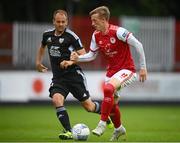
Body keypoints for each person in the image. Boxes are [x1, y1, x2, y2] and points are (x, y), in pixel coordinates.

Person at [70, 6, 147, 141]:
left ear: (104, 19)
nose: (92, 24)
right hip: (111, 72)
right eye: (91, 21)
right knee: (112, 106)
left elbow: (138, 45)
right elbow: (91, 55)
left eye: (95, 20)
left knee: (108, 89)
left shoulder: (119, 32)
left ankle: (102, 123)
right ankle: (119, 129)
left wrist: (143, 67)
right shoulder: (96, 35)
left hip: (127, 70)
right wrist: (78, 58)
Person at [36, 9, 113, 140]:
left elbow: (84, 55)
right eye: (58, 22)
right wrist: (38, 62)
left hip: (74, 76)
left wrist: (71, 61)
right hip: (59, 78)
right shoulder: (47, 35)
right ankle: (68, 131)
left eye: (63, 22)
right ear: (53, 22)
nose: (60, 24)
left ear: (67, 22)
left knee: (89, 107)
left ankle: (105, 115)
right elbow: (42, 46)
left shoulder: (71, 36)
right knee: (57, 100)